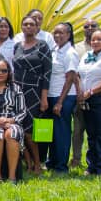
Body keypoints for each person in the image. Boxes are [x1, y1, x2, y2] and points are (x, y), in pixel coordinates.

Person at [11, 13, 51, 174]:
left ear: (37, 27)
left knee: (29, 132)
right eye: (25, 24)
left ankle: (37, 163)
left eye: (31, 24)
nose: (28, 27)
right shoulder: (17, 46)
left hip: (34, 92)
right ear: (21, 27)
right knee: (19, 129)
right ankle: (28, 164)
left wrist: (44, 97)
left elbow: (47, 73)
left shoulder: (43, 46)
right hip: (17, 92)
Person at [76, 28, 101, 176]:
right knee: (91, 133)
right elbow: (79, 74)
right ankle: (91, 165)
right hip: (86, 99)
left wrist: (90, 92)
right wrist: (81, 92)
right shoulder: (87, 55)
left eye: (99, 39)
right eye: (93, 39)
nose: (95, 42)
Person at [44, 22, 79, 174]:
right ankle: (52, 162)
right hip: (52, 95)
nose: (58, 36)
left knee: (62, 132)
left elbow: (70, 78)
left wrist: (60, 102)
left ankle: (61, 166)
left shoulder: (70, 53)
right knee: (53, 132)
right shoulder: (55, 50)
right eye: (55, 33)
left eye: (61, 33)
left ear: (68, 35)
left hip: (63, 97)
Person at [69, 18, 98, 170]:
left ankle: (94, 161)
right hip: (79, 94)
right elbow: (74, 73)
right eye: (86, 26)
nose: (90, 28)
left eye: (93, 26)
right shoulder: (77, 48)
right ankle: (76, 158)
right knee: (78, 129)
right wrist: (79, 92)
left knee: (96, 131)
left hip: (99, 95)